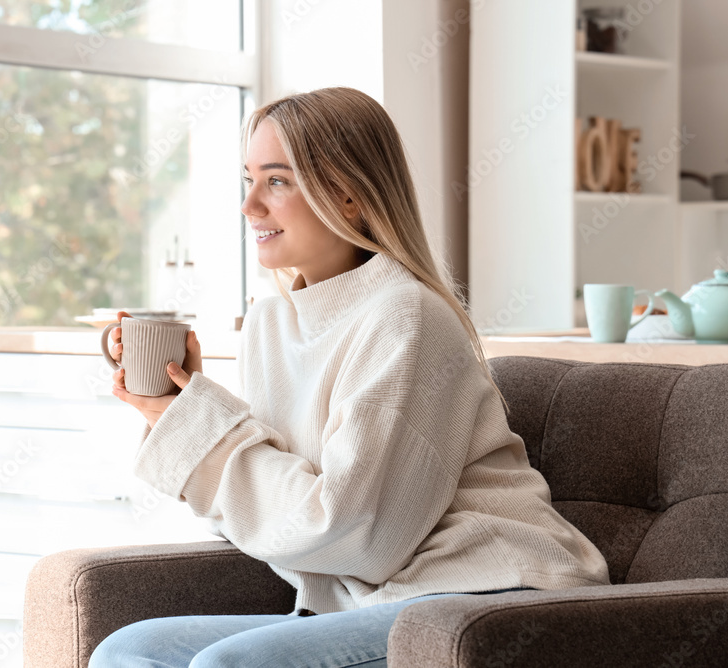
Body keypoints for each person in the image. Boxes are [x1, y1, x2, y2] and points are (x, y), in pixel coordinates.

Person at [92, 87, 610, 667]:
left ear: (349, 196)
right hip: (365, 602)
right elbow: (279, 522)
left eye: (278, 181)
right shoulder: (270, 324)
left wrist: (204, 430)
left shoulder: (406, 317)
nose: (250, 207)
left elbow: (361, 534)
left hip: (488, 590)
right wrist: (177, 413)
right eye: (248, 180)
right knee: (130, 651)